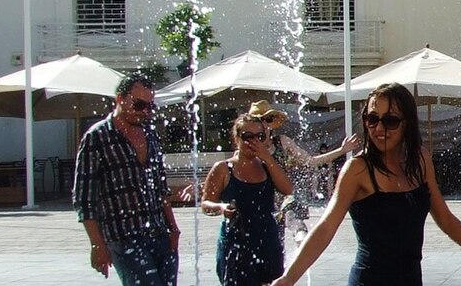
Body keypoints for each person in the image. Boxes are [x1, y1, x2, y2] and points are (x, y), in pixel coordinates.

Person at [270, 83, 461, 286]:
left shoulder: (420, 160)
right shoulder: (357, 169)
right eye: (373, 119)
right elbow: (326, 227)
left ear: (407, 123)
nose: (380, 128)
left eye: (390, 120)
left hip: (411, 280)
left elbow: (446, 220)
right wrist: (289, 278)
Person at [74, 73, 181, 285]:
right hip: (124, 236)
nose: (145, 111)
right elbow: (84, 199)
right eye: (139, 104)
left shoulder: (151, 134)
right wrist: (97, 244)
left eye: (151, 106)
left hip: (159, 232)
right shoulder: (97, 137)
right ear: (120, 99)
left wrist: (173, 227)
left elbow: (160, 187)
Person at [247, 102, 361, 242]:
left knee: (292, 213)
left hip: (283, 197)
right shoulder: (247, 148)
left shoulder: (282, 142)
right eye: (259, 122)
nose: (265, 126)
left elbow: (310, 162)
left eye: (268, 120)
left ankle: (301, 237)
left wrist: (342, 150)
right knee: (269, 243)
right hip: (259, 199)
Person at [201, 114, 294, 285]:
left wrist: (267, 157)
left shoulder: (267, 166)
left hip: (267, 240)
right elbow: (205, 204)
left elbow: (288, 189)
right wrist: (221, 208)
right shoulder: (223, 169)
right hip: (237, 242)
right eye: (247, 137)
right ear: (236, 138)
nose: (254, 142)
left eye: (260, 137)